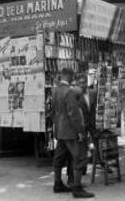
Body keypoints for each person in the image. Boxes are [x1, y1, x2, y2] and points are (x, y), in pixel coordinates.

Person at [52, 68, 95, 198]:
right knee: (80, 158)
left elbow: (53, 112)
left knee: (59, 159)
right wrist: (80, 131)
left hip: (61, 131)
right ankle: (77, 188)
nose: (73, 79)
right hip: (71, 131)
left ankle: (57, 184)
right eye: (72, 76)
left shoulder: (55, 91)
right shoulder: (69, 92)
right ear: (69, 76)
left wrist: (56, 129)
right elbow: (74, 114)